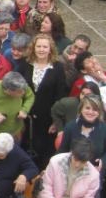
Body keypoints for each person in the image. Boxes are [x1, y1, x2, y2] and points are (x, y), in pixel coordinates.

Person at [17, 33, 68, 168]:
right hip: (25, 116)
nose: (41, 49)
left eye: (45, 47)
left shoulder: (57, 68)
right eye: (38, 46)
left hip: (47, 119)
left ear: (50, 49)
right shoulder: (25, 64)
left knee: (43, 152)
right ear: (33, 48)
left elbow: (60, 95)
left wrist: (56, 121)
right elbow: (17, 88)